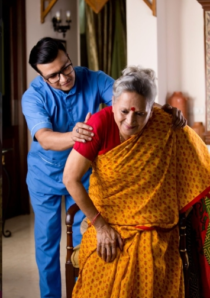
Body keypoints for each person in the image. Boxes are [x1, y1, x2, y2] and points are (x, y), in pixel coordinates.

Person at [21, 37, 186, 298]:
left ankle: (82, 291)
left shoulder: (93, 78)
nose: (64, 78)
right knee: (47, 245)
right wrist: (74, 136)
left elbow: (129, 95)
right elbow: (44, 138)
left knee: (85, 241)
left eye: (66, 68)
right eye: (53, 76)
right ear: (42, 77)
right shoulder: (33, 97)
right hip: (46, 178)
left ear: (69, 59)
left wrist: (163, 110)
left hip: (85, 174)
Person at [63, 66, 210, 298]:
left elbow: (199, 162)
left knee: (152, 267)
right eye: (123, 111)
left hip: (154, 229)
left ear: (153, 110)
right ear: (112, 102)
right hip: (107, 224)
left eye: (140, 113)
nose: (130, 121)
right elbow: (70, 178)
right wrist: (101, 228)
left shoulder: (164, 123)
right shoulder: (99, 125)